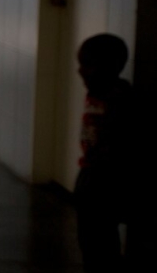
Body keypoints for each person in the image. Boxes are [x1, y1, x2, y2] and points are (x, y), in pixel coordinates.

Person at [73, 33, 135, 273]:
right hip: (92, 177)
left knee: (98, 245)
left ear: (110, 67)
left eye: (87, 65)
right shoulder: (99, 94)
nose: (80, 72)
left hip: (103, 181)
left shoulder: (118, 100)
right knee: (93, 243)